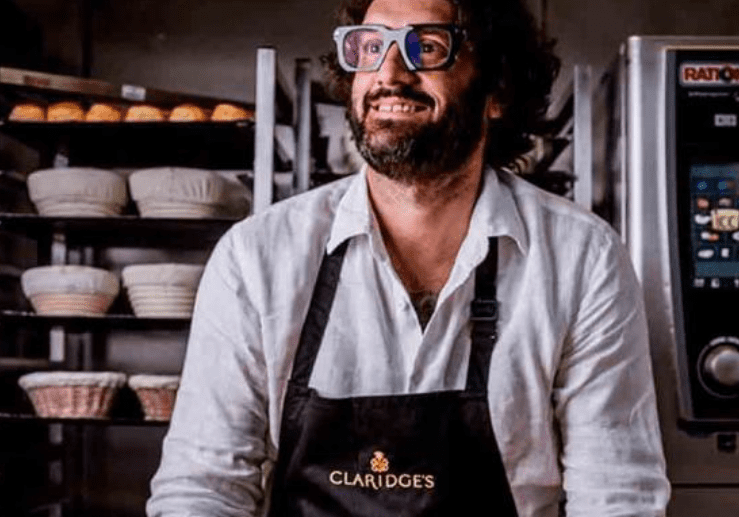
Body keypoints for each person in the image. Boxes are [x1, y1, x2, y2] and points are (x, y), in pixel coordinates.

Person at [147, 0, 671, 515]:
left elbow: (616, 495)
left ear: (497, 89)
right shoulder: (257, 257)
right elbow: (203, 489)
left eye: (427, 47)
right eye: (370, 47)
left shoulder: (581, 259)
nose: (389, 74)